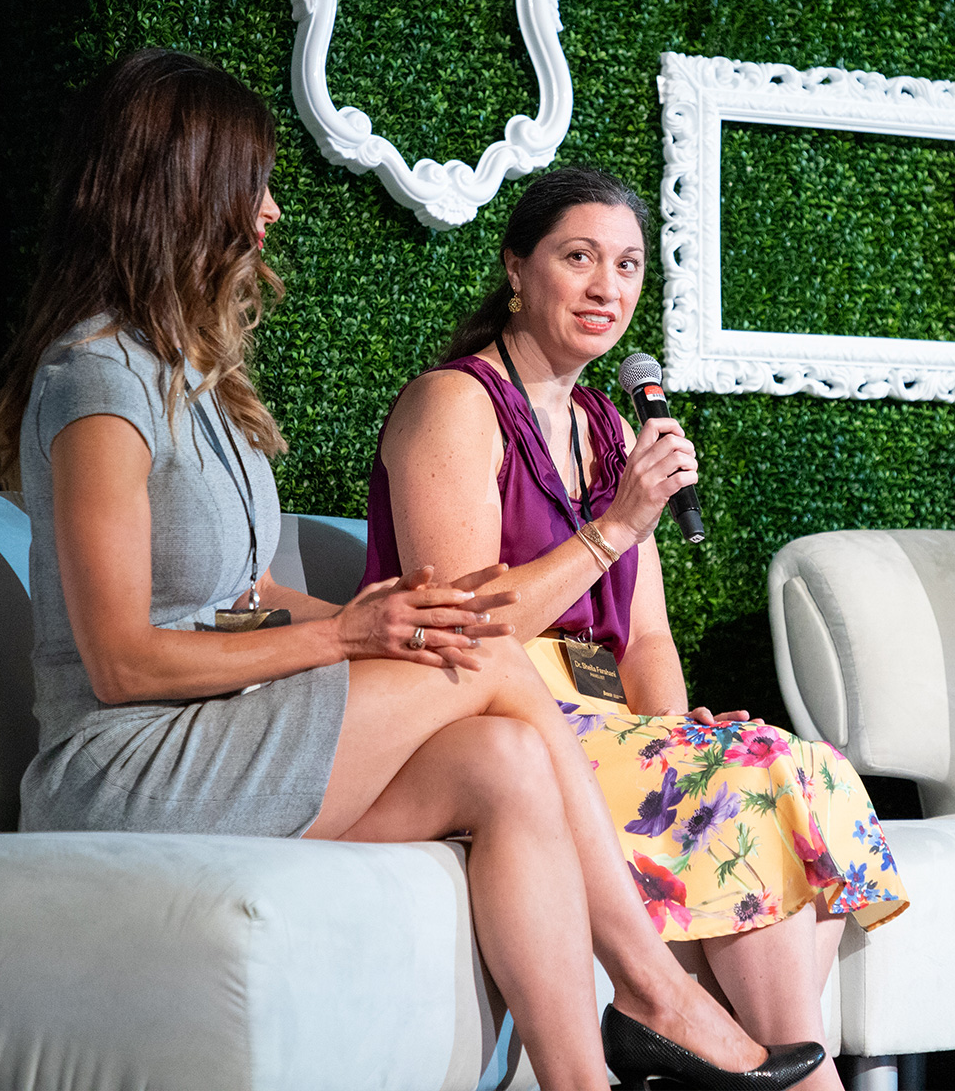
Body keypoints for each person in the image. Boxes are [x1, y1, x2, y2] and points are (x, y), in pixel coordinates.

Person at [0, 51, 822, 1091]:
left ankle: (583, 1078)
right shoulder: (96, 376)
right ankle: (657, 994)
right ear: (181, 190)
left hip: (215, 735)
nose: (274, 211)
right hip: (124, 765)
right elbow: (119, 661)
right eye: (256, 183)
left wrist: (374, 614)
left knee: (505, 761)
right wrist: (347, 639)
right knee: (494, 663)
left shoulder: (195, 378)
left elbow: (231, 594)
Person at [363, 166, 907, 1091]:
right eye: (579, 258)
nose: (606, 288)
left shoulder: (611, 426)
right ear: (516, 269)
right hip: (489, 717)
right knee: (749, 778)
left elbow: (645, 640)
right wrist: (613, 524)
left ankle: (763, 1062)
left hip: (605, 722)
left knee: (791, 761)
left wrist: (671, 735)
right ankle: (794, 1079)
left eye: (627, 265)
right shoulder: (452, 402)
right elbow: (466, 632)